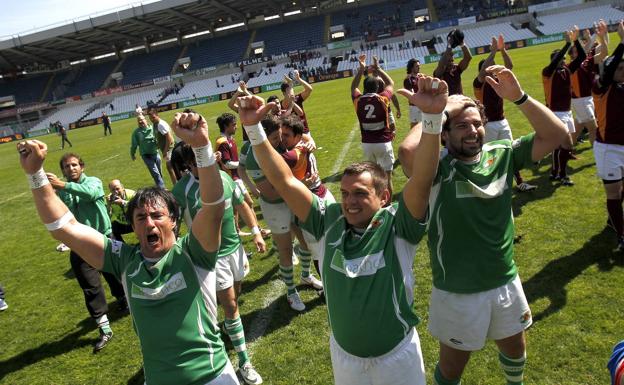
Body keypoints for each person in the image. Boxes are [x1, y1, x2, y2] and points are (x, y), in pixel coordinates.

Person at [235, 72, 445, 384]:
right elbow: (284, 180)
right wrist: (253, 129)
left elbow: (423, 178)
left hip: (396, 356)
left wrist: (431, 119)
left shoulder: (399, 225)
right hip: (345, 358)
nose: (349, 202)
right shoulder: (328, 220)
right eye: (345, 193)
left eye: (361, 193)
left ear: (384, 196)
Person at [17, 111, 241, 384]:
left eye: (157, 216)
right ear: (133, 227)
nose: (149, 224)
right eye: (140, 218)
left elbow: (214, 206)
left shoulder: (194, 252)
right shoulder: (123, 261)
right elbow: (65, 228)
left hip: (213, 377)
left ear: (173, 220)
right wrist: (36, 175)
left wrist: (202, 147)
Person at [399, 65, 568, 385]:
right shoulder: (436, 169)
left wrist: (519, 97)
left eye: (477, 124)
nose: (473, 130)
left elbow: (557, 135)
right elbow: (407, 152)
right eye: (462, 125)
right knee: (452, 369)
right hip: (458, 291)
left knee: (516, 349)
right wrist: (437, 112)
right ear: (445, 134)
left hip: (505, 280)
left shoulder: (502, 154)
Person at [172, 142, 265, 385]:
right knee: (231, 305)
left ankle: (225, 327)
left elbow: (241, 204)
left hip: (235, 249)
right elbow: (172, 221)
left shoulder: (222, 177)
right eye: (197, 159)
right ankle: (244, 362)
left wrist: (255, 231)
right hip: (210, 258)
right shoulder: (182, 189)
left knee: (236, 294)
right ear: (189, 164)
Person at [44, 153, 127, 352]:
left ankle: (124, 299)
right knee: (90, 286)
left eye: (74, 165)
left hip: (104, 238)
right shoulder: (63, 190)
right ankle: (105, 328)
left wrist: (62, 185)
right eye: (66, 167)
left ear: (82, 166)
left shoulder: (94, 182)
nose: (70, 169)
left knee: (116, 274)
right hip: (80, 244)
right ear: (63, 171)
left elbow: (90, 194)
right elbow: (60, 213)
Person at [474, 35, 537, 192]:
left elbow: (509, 65)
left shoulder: (498, 80)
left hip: (502, 121)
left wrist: (502, 50)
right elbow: (483, 72)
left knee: (510, 152)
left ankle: (519, 182)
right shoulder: (479, 84)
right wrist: (493, 52)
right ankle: (488, 185)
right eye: (491, 67)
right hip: (488, 125)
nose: (495, 69)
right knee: (488, 157)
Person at [592, 21, 624, 251]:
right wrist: (622, 42)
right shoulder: (600, 86)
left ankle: (613, 221)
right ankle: (622, 235)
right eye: (621, 69)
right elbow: (609, 69)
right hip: (608, 150)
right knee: (613, 194)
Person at [542, 27, 585, 185]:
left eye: (565, 59)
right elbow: (555, 62)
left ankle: (555, 172)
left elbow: (582, 56)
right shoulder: (548, 72)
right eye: (561, 59)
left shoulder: (567, 69)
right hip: (556, 113)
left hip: (566, 112)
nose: (564, 60)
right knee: (566, 145)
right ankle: (562, 174)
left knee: (560, 146)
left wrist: (575, 40)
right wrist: (566, 44)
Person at [350, 54, 396, 201]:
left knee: (373, 178)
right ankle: (388, 207)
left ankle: (375, 203)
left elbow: (353, 87)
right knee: (387, 179)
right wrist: (378, 68)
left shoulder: (358, 100)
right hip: (383, 142)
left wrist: (361, 69)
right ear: (377, 87)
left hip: (367, 145)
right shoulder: (383, 98)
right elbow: (391, 83)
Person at [131, 114, 166, 189]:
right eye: (139, 120)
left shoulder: (153, 128)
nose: (140, 121)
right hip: (146, 155)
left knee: (159, 172)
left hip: (155, 153)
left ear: (146, 120)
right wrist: (132, 154)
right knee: (155, 172)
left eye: (142, 119)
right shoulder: (136, 133)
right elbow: (134, 145)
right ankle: (163, 189)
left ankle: (159, 186)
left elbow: (160, 139)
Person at [147, 109, 177, 184]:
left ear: (157, 115)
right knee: (173, 167)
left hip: (170, 148)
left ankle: (176, 185)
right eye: (150, 118)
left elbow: (169, 138)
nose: (152, 119)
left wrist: (165, 151)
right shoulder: (155, 124)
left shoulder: (160, 124)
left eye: (153, 117)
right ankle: (177, 183)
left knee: (170, 167)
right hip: (167, 148)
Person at [403, 58, 423, 125]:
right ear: (412, 68)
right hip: (415, 107)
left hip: (424, 104)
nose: (419, 67)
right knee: (415, 127)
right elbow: (411, 97)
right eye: (417, 66)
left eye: (419, 65)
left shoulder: (421, 76)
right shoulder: (408, 80)